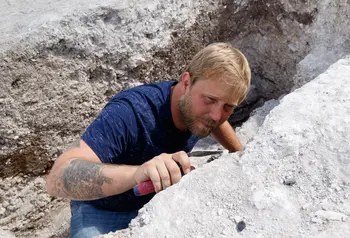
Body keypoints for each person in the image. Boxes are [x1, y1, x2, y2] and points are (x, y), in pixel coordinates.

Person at [46, 42, 251, 238]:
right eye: (210, 100)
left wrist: (240, 154)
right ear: (186, 82)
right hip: (103, 208)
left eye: (228, 107)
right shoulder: (131, 113)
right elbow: (58, 179)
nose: (216, 115)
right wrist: (138, 173)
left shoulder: (202, 112)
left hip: (156, 202)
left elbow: (216, 120)